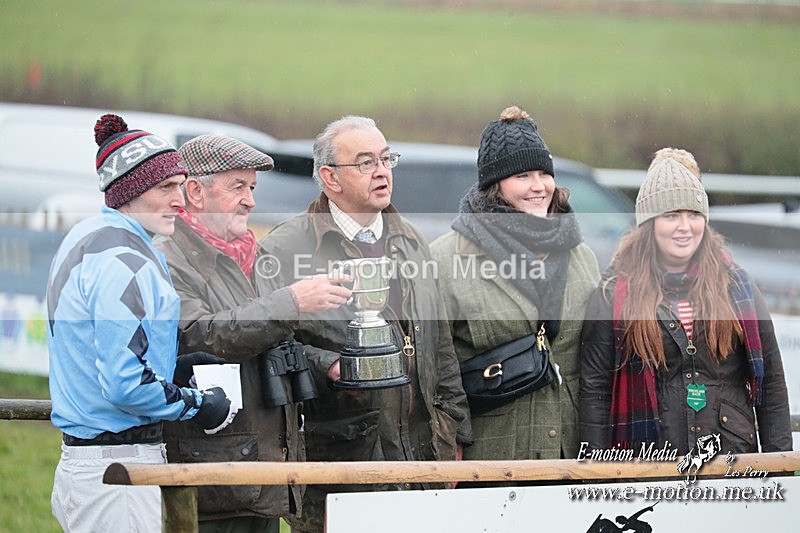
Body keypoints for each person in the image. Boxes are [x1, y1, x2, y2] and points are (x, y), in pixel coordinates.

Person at [260, 115, 472, 533]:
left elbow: (439, 347)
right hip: (340, 460)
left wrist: (454, 434)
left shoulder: (411, 240)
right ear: (330, 178)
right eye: (364, 162)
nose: (381, 170)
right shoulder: (283, 249)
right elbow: (265, 346)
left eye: (386, 158)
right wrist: (328, 365)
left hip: (422, 458)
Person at [47, 115, 237, 532]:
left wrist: (170, 368)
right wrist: (196, 404)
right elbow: (124, 383)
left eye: (180, 185)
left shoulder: (88, 236)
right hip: (120, 473)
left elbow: (102, 350)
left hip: (91, 466)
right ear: (128, 191)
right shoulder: (127, 260)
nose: (179, 201)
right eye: (164, 187)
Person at [154, 134, 352, 532]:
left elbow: (274, 347)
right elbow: (198, 338)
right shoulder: (165, 257)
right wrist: (291, 302)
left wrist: (329, 365)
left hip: (263, 475)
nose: (251, 200)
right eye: (238, 187)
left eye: (253, 188)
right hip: (209, 476)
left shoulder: (254, 255)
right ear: (194, 191)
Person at [579, 148, 792, 454]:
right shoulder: (613, 292)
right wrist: (594, 473)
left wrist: (779, 464)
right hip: (647, 465)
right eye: (671, 215)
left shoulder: (737, 285)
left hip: (730, 465)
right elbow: (594, 391)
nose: (684, 226)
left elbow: (771, 382)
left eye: (693, 214)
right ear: (649, 224)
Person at [429, 106, 600, 465]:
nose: (539, 186)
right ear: (495, 186)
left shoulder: (581, 255)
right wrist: (448, 444)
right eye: (523, 175)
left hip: (571, 456)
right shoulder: (443, 261)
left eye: (543, 173)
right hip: (488, 458)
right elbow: (433, 372)